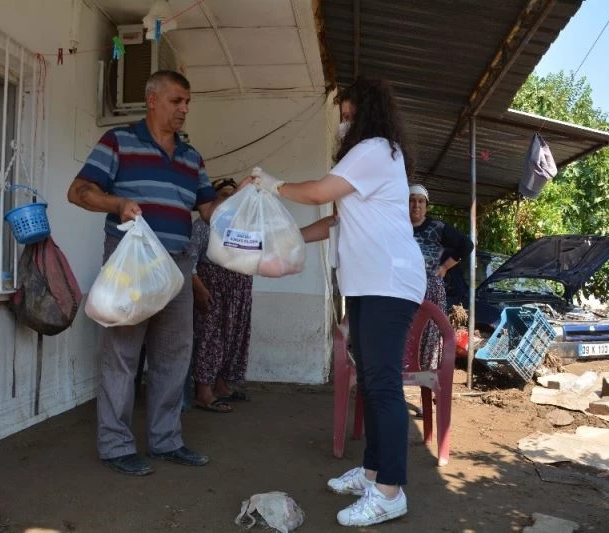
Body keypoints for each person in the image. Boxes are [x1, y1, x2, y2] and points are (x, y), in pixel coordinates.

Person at [251, 77, 426, 527]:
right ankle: (372, 474)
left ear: (367, 114)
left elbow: (315, 193)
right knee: (371, 381)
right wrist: (287, 240)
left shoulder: (375, 150)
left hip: (388, 282)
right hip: (370, 284)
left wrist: (272, 185)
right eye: (342, 117)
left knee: (383, 385)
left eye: (349, 116)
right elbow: (335, 222)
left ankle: (390, 492)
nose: (344, 124)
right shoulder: (370, 159)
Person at [67, 70, 215, 476]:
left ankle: (166, 440)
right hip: (130, 263)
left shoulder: (191, 157)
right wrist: (116, 204)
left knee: (173, 356)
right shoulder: (118, 141)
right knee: (122, 354)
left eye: (188, 102)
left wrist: (245, 205)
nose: (184, 109)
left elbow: (208, 209)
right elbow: (78, 191)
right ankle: (116, 446)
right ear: (152, 100)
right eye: (176, 100)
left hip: (177, 265)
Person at [187, 178, 253, 413]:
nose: (230, 200)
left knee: (234, 338)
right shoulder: (202, 225)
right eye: (224, 195)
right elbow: (189, 261)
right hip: (212, 289)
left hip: (239, 292)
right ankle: (204, 393)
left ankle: (222, 386)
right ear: (211, 199)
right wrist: (199, 289)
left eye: (234, 196)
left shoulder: (243, 225)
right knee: (210, 337)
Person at [408, 184, 474, 370]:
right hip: (405, 288)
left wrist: (445, 266)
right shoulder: (399, 227)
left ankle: (428, 374)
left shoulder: (437, 227)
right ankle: (405, 371)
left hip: (430, 288)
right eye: (412, 201)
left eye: (421, 201)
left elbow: (466, 245)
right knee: (406, 329)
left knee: (429, 330)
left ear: (426, 206)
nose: (416, 205)